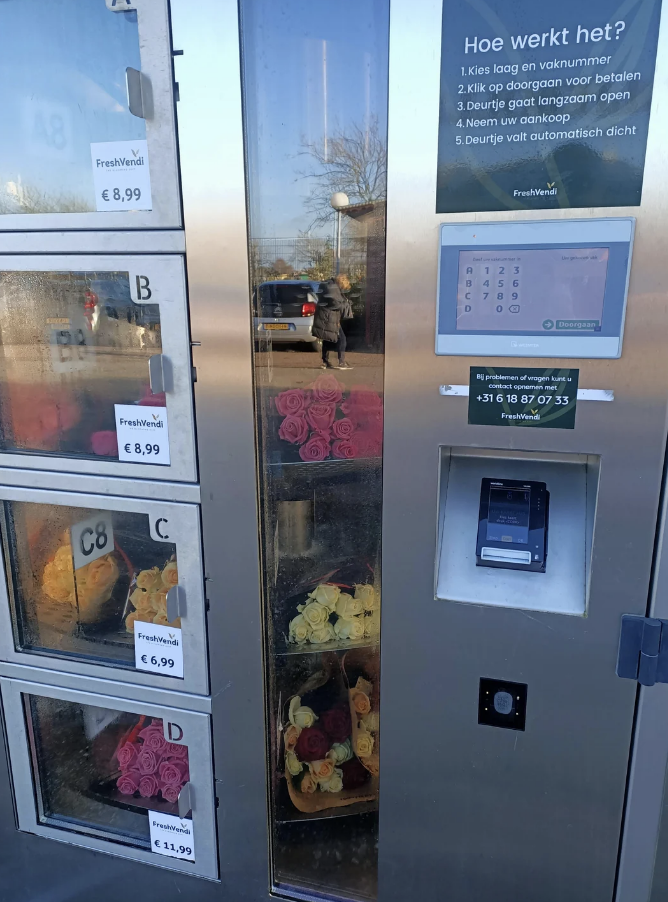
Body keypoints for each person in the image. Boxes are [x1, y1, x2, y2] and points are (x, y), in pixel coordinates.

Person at [312, 274, 353, 370]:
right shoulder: (332, 288)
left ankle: (325, 362)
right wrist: (346, 304)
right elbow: (335, 303)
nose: (343, 289)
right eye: (343, 287)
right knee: (342, 339)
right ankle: (341, 362)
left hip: (326, 316)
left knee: (327, 339)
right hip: (329, 317)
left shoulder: (328, 285)